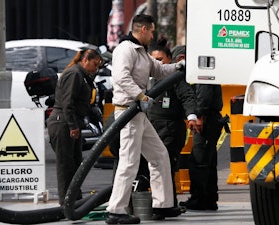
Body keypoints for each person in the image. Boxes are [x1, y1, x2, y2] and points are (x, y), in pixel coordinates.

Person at [105, 14, 185, 224]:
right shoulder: (125, 50)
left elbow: (159, 70)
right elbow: (121, 78)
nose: (153, 35)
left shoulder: (141, 52)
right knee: (129, 162)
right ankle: (116, 211)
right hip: (128, 112)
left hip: (139, 112)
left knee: (159, 155)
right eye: (151, 30)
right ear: (142, 30)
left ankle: (163, 205)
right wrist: (141, 95)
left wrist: (178, 67)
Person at [47, 49, 103, 206]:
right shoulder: (75, 74)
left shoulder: (83, 76)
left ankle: (75, 199)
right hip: (63, 123)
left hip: (72, 122)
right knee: (66, 166)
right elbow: (68, 102)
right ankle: (66, 202)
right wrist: (73, 126)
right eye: (94, 64)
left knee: (76, 164)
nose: (95, 68)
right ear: (85, 60)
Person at [147, 44, 199, 207]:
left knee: (166, 165)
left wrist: (191, 116)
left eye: (160, 60)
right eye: (154, 60)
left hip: (170, 129)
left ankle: (169, 204)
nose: (158, 64)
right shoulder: (148, 79)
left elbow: (188, 97)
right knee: (154, 167)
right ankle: (160, 203)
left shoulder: (175, 78)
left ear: (170, 60)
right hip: (152, 127)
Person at [179, 82, 224, 210]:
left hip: (206, 118)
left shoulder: (201, 70)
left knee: (199, 160)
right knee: (208, 160)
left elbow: (203, 93)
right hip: (210, 117)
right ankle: (209, 198)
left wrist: (199, 115)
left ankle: (199, 198)